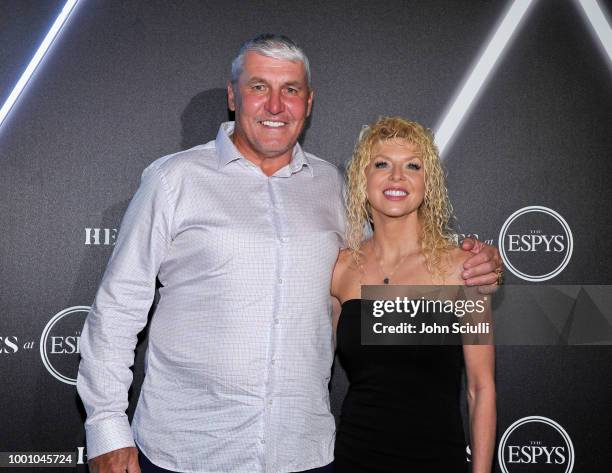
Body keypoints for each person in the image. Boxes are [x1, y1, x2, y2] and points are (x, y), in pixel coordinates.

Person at [77, 34, 501, 473]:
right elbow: (118, 309)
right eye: (259, 87)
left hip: (304, 454)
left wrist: (476, 263)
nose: (275, 106)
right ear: (232, 96)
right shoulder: (173, 181)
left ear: (309, 102)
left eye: (291, 90)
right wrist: (107, 427)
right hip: (188, 449)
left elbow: (399, 254)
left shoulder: (334, 190)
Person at [331, 116, 496, 473]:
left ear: (428, 183)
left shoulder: (463, 269)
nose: (396, 177)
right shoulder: (341, 270)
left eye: (412, 166)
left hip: (437, 461)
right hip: (353, 458)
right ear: (363, 178)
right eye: (382, 164)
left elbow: (480, 389)